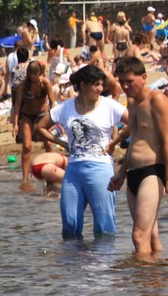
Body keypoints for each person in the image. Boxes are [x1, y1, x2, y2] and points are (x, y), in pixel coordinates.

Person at [35, 64, 126, 240]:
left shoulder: (109, 105)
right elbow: (40, 127)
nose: (100, 89)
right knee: (70, 226)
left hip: (100, 169)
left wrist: (115, 141)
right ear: (82, 85)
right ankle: (73, 265)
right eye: (96, 84)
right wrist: (61, 142)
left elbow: (136, 123)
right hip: (74, 170)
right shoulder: (66, 108)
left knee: (104, 226)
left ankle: (105, 263)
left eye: (101, 84)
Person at [108, 57, 168, 257]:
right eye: (121, 81)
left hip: (152, 173)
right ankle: (157, 281)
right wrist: (121, 174)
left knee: (139, 236)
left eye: (129, 81)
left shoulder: (158, 100)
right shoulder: (131, 103)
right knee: (151, 236)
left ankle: (143, 286)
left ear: (144, 77)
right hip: (133, 173)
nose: (125, 85)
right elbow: (135, 141)